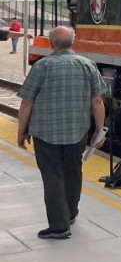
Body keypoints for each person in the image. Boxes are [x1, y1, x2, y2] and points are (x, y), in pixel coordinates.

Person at [16, 26, 106, 239]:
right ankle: (71, 212)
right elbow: (98, 101)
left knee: (52, 174)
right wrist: (98, 131)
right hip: (78, 129)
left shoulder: (41, 66)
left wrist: (22, 131)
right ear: (73, 42)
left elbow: (27, 102)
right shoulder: (88, 65)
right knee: (73, 170)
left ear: (51, 43)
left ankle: (59, 225)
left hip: (45, 132)